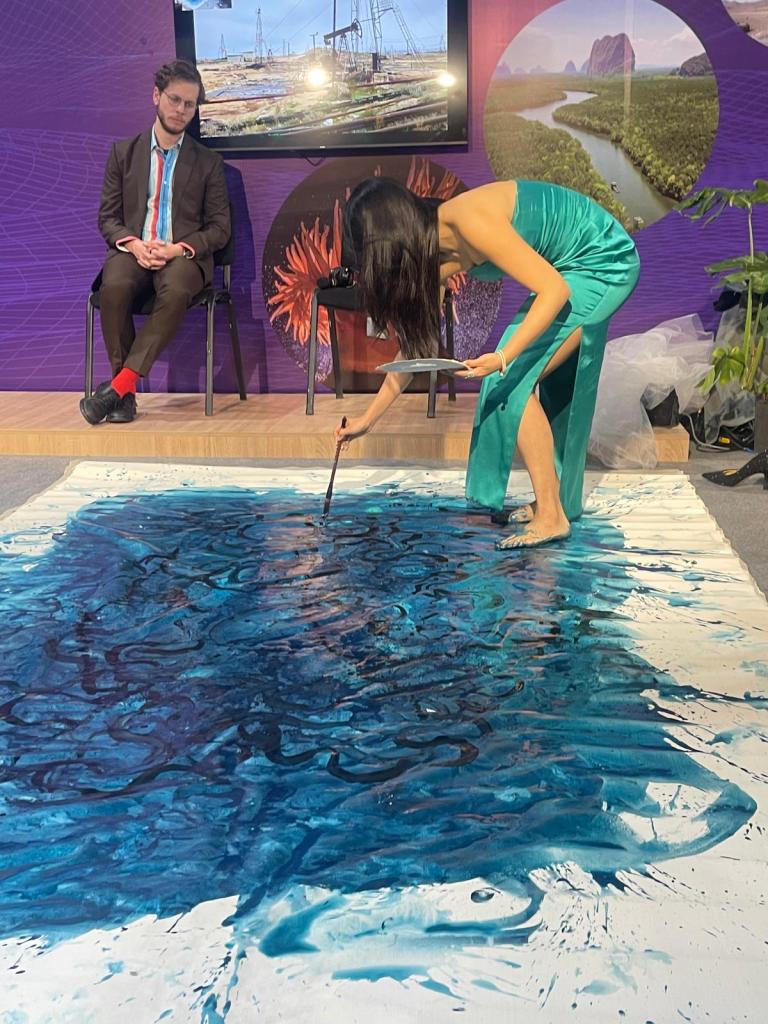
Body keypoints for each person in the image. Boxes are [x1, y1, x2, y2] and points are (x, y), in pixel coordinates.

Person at [335, 177, 640, 548]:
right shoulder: (434, 254)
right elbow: (416, 350)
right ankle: (554, 501)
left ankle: (552, 516)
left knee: (510, 380)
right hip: (571, 267)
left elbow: (555, 289)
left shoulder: (469, 220)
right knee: (529, 384)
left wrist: (503, 357)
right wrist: (368, 420)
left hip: (603, 261)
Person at [80, 59, 230, 425]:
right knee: (113, 286)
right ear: (156, 97)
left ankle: (119, 387)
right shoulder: (123, 154)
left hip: (183, 257)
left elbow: (220, 227)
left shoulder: (208, 162)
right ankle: (125, 396)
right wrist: (133, 244)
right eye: (174, 100)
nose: (181, 110)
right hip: (134, 250)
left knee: (177, 288)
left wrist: (178, 248)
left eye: (189, 104)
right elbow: (108, 218)